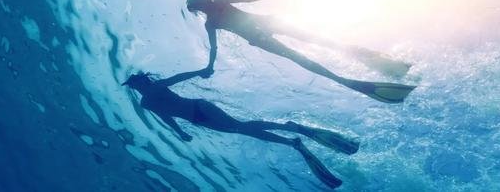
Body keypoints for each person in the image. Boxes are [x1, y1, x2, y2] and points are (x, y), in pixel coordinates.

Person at [123, 70, 360, 189]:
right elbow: (166, 117)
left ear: (140, 81)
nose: (138, 84)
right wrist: (180, 132)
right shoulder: (147, 101)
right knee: (241, 130)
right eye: (135, 83)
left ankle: (291, 130)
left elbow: (178, 77)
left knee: (239, 127)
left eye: (137, 81)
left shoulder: (154, 89)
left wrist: (200, 70)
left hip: (199, 107)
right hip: (198, 117)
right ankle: (292, 141)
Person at [186, 0, 416, 103]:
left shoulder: (220, 0)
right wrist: (209, 66)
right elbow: (214, 48)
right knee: (298, 57)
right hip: (260, 37)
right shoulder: (211, 23)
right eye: (201, 5)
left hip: (265, 23)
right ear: (200, 9)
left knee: (317, 39)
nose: (205, 4)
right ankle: (344, 81)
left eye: (202, 1)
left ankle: (366, 54)